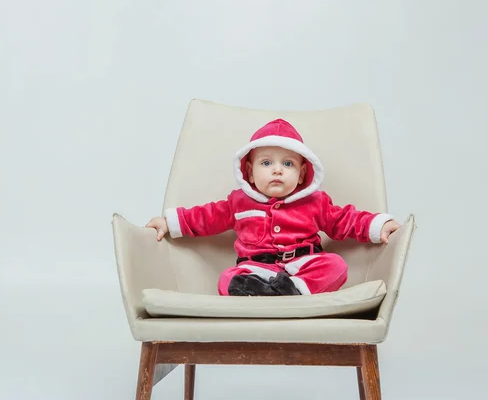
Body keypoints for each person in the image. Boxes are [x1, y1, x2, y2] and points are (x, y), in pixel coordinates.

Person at [146, 118, 400, 296]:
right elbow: (205, 217)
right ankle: (262, 291)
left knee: (335, 265)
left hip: (302, 264)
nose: (277, 169)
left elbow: (344, 220)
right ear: (249, 171)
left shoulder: (315, 201)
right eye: (266, 163)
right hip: (257, 268)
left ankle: (294, 290)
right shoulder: (238, 201)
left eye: (288, 164)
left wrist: (378, 225)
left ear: (302, 174)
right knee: (227, 279)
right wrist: (169, 222)